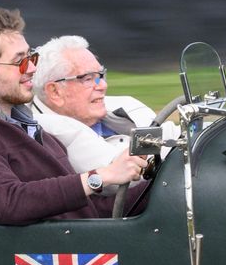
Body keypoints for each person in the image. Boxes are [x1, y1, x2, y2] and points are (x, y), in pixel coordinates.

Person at [0, 8, 146, 225]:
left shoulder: (30, 127)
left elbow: (90, 212)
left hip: (83, 244)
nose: (31, 68)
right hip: (40, 254)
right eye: (20, 61)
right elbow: (7, 202)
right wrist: (101, 176)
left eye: (31, 56)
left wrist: (163, 182)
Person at [30, 34, 158, 174]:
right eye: (88, 78)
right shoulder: (48, 135)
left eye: (100, 75)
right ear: (55, 92)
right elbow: (126, 178)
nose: (103, 85)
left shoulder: (124, 104)